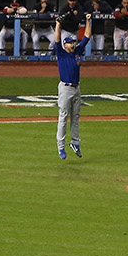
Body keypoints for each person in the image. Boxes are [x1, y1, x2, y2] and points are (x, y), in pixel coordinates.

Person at [53, 16, 89, 160]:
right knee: (63, 117)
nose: (73, 44)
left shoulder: (77, 53)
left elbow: (87, 36)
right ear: (65, 45)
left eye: (74, 42)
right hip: (65, 88)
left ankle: (75, 142)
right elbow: (57, 38)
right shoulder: (61, 53)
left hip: (76, 88)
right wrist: (58, 24)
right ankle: (60, 146)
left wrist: (88, 20)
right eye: (70, 43)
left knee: (75, 117)